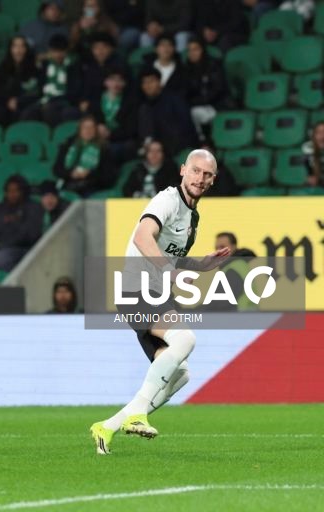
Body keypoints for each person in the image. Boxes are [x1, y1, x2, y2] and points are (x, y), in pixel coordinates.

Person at [90, 149, 232, 455]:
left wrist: (199, 264)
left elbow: (171, 257)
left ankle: (108, 427)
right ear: (182, 170)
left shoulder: (192, 217)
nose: (200, 178)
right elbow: (143, 237)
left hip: (155, 293)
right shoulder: (167, 200)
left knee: (180, 374)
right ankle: (137, 416)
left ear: (213, 180)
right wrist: (169, 272)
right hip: (136, 289)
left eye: (207, 175)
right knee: (185, 338)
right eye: (195, 171)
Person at [0, 174, 43, 271]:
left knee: (1, 258)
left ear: (23, 191)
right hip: (0, 248)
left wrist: (3, 244)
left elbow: (31, 235)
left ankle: (21, 280)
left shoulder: (34, 207)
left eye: (16, 191)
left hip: (26, 249)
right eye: (9, 191)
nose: (12, 194)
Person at [20, 34, 81, 127]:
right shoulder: (44, 65)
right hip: (44, 99)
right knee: (28, 113)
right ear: (49, 51)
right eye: (54, 51)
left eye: (61, 51)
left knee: (50, 110)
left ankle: (54, 140)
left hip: (64, 100)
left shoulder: (73, 66)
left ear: (66, 51)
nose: (58, 55)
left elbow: (74, 90)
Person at [137, 68, 199, 158]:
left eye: (151, 81)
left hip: (177, 148)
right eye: (145, 83)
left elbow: (185, 128)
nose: (148, 85)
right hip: (153, 149)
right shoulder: (144, 106)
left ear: (159, 82)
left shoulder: (175, 100)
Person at [53, 115, 114, 196]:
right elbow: (56, 169)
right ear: (79, 130)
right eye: (85, 127)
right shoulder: (68, 145)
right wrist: (70, 173)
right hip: (69, 184)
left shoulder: (104, 149)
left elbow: (108, 176)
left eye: (91, 128)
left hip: (90, 187)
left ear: (96, 130)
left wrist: (89, 174)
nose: (88, 131)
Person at [0, 36, 39, 127]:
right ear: (10, 49)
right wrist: (8, 101)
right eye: (15, 46)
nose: (18, 50)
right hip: (4, 103)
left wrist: (18, 101)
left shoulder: (33, 69)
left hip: (24, 104)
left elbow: (36, 92)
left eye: (22, 46)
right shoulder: (2, 68)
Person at [182, 37, 228, 142]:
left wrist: (197, 101)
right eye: (190, 50)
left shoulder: (213, 65)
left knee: (193, 112)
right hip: (199, 106)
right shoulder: (186, 70)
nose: (192, 53)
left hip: (218, 106)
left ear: (202, 50)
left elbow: (218, 89)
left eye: (196, 49)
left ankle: (201, 141)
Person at [302, 121, 324, 187]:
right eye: (319, 132)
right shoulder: (308, 148)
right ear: (313, 135)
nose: (322, 136)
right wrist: (311, 175)